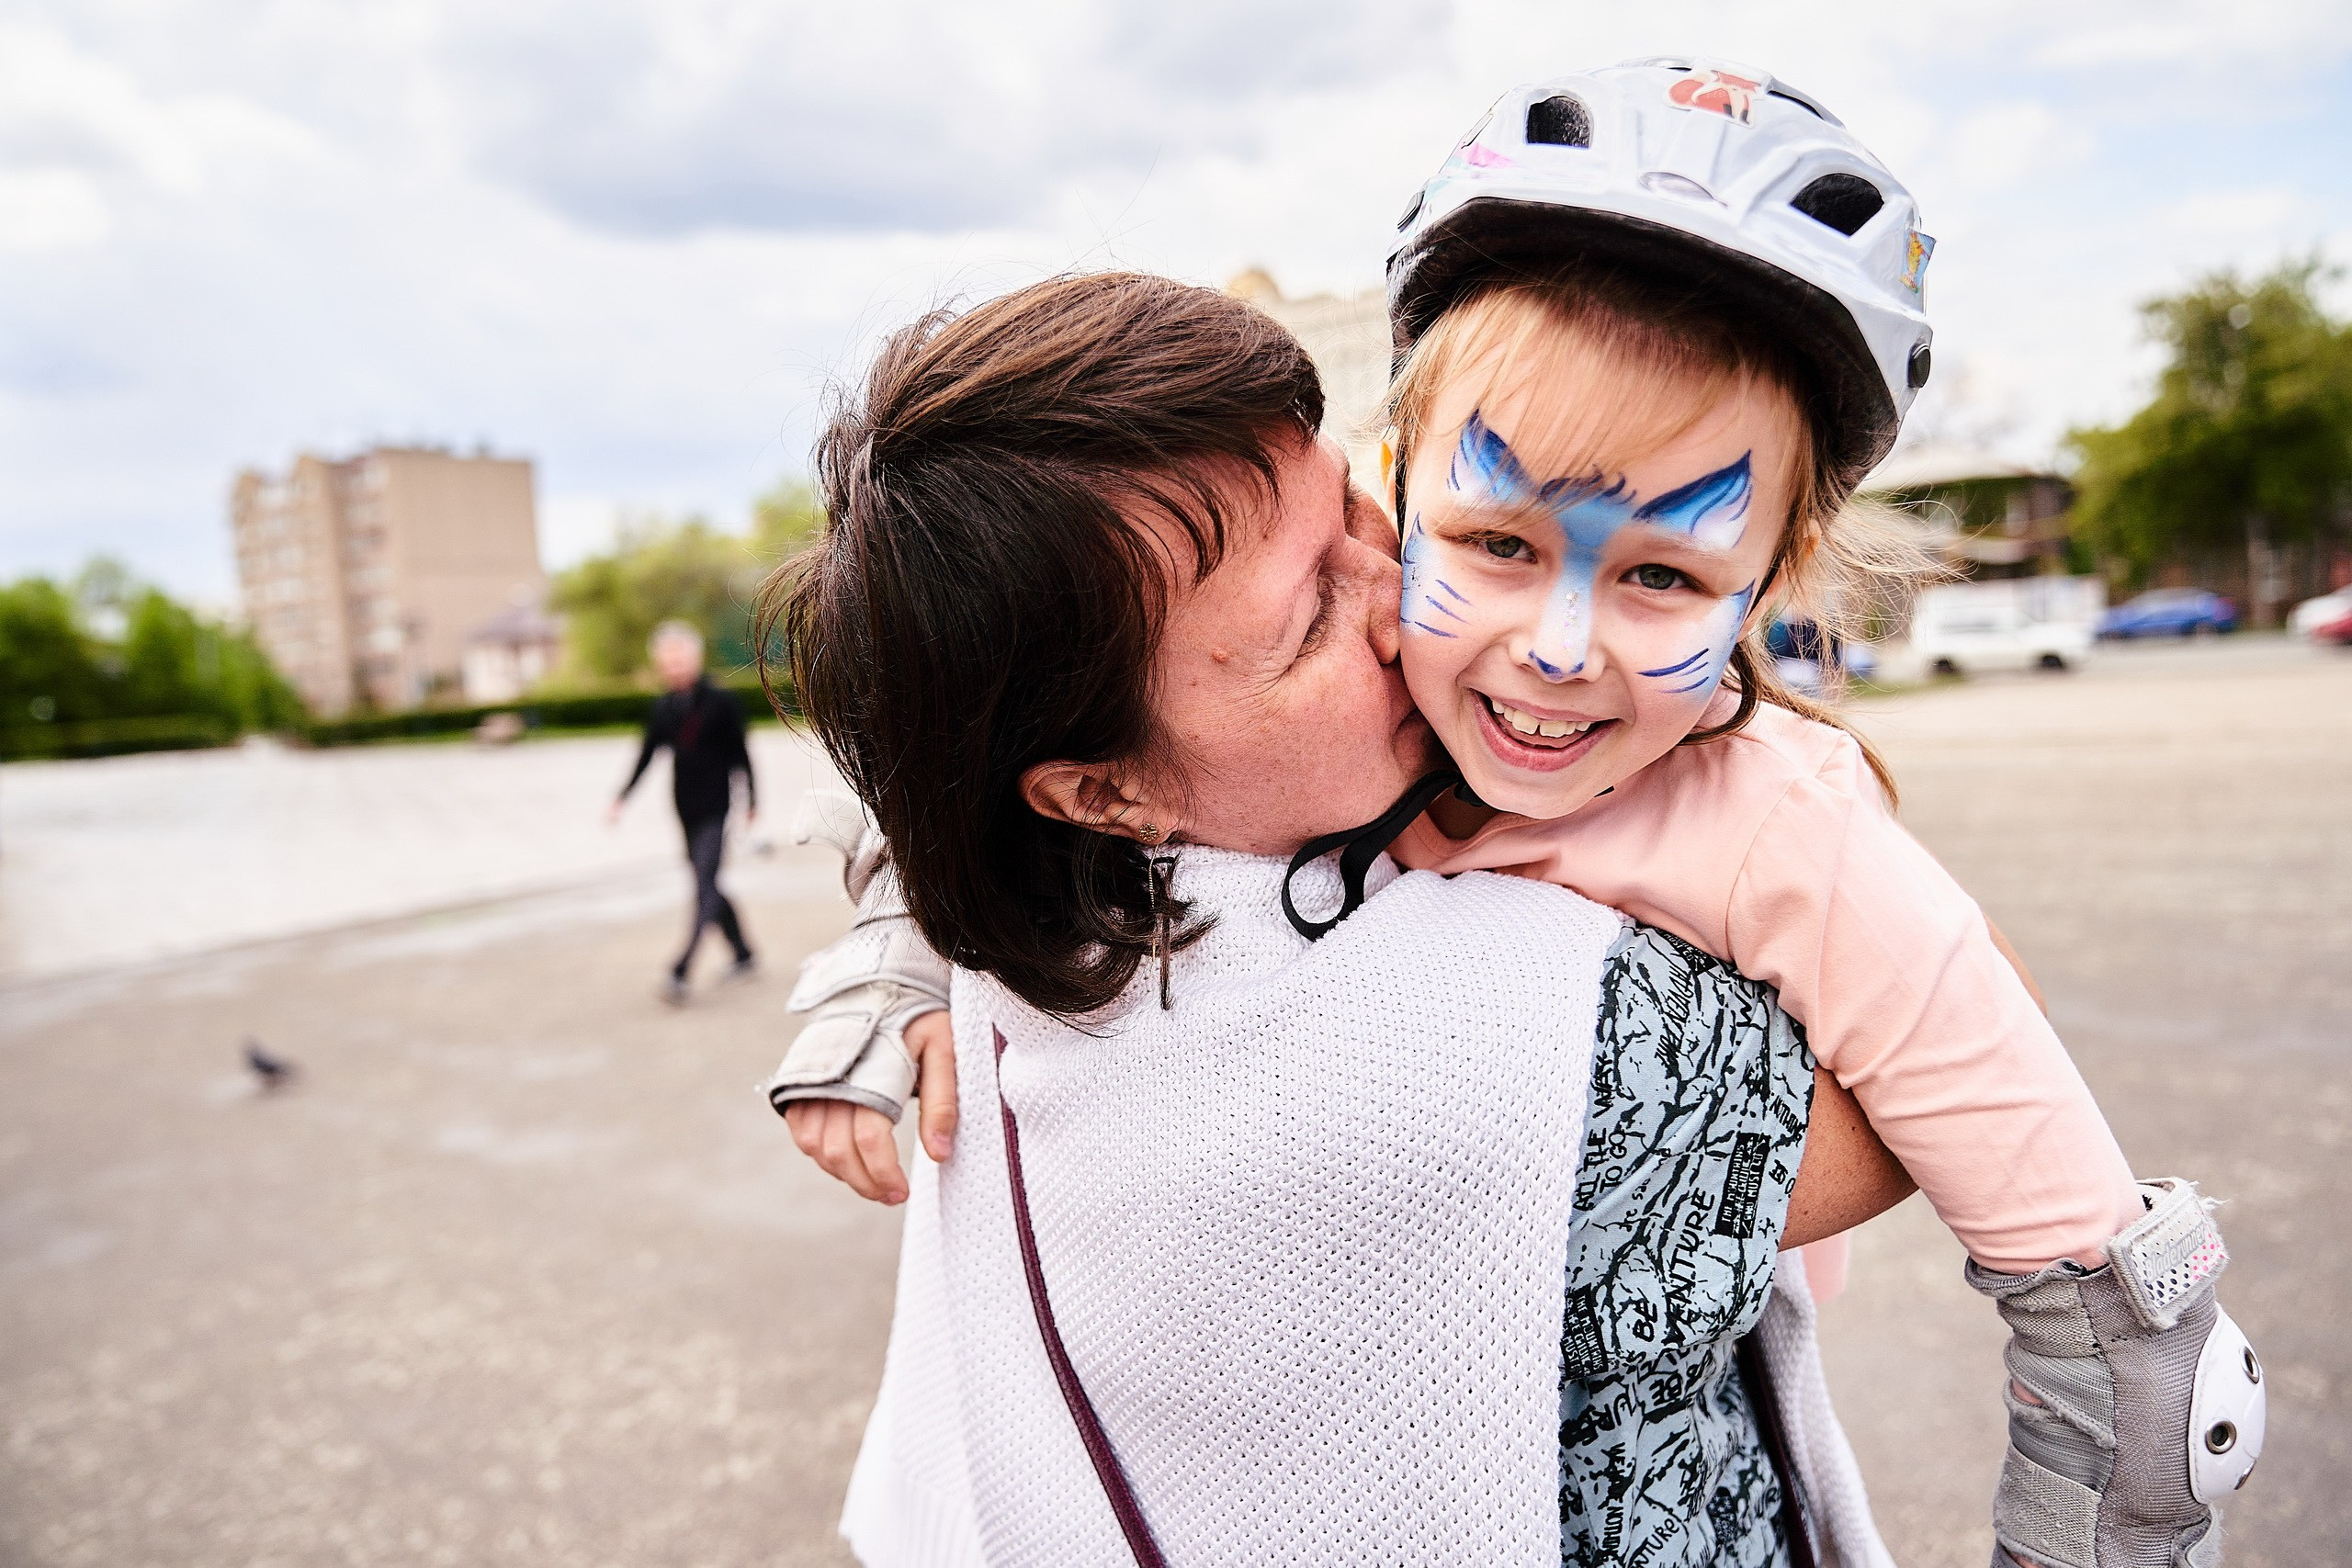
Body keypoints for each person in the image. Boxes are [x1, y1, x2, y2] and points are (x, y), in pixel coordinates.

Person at [757, 271, 1916, 1565]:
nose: (1406, 595)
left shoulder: (1046, 933)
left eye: (1363, 505)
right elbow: (1914, 1102)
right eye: (1312, 612)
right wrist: (1782, 811)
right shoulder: (1477, 1030)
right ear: (1104, 788)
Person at [1368, 62, 2260, 1567]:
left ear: (1772, 581)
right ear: (1390, 493)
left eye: (1663, 574)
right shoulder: (1311, 691)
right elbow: (1017, 750)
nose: (1560, 646)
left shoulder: (1784, 829)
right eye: (1496, 540)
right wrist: (902, 979)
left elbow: (2138, 1354)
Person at [609, 620, 758, 1003]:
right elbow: (647, 755)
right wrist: (622, 797)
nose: (674, 666)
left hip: (717, 806)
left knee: (703, 885)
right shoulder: (663, 707)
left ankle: (681, 968)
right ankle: (743, 952)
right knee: (708, 882)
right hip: (684, 807)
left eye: (680, 658)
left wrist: (753, 801)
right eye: (667, 660)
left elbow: (741, 755)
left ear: (695, 657)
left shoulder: (722, 702)